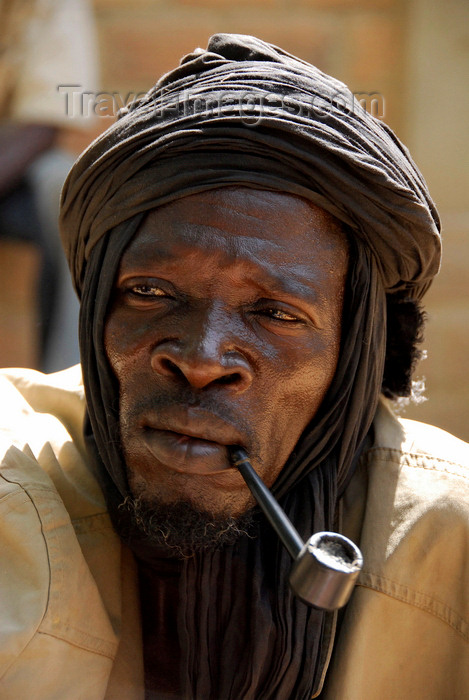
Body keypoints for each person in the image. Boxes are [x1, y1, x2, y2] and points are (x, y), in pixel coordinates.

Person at [0, 34, 467, 700]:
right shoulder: (12, 487)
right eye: (152, 292)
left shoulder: (449, 544)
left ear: (355, 355)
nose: (199, 359)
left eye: (275, 313)